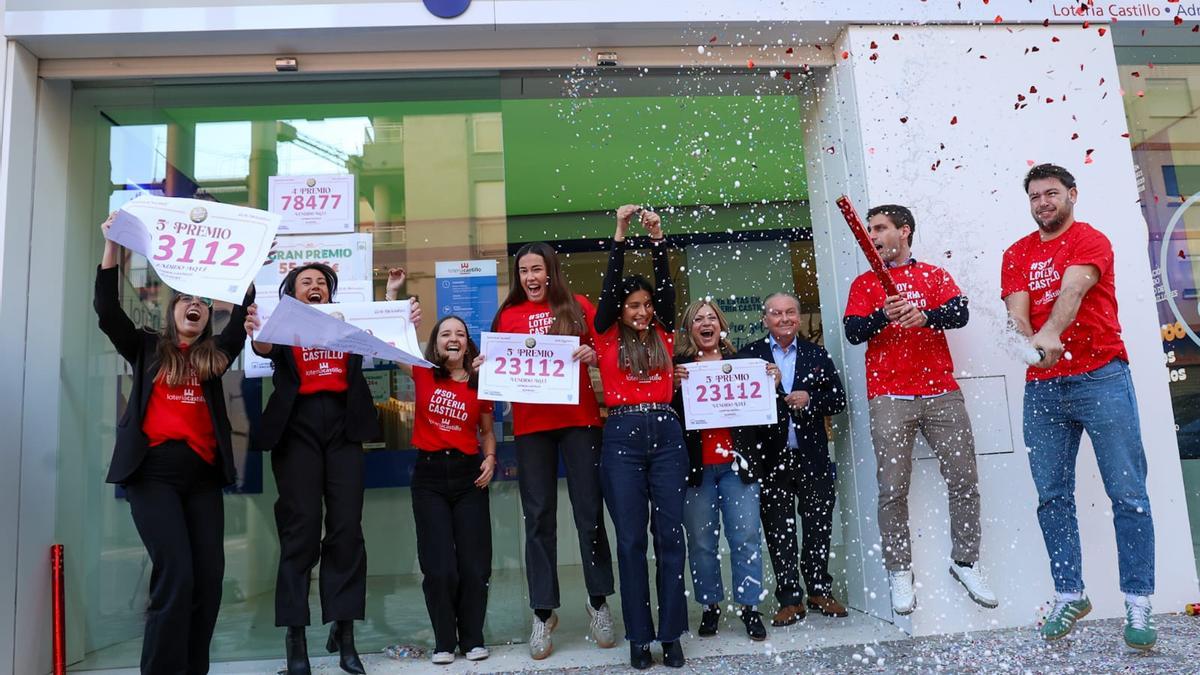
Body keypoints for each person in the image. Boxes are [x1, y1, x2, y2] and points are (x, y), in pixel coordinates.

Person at [1002, 163, 1156, 649]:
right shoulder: (1017, 253)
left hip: (1101, 377)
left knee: (1127, 493)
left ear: (1072, 194)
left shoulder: (1091, 240)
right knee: (1051, 495)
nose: (1043, 203)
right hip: (1044, 389)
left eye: (1051, 194)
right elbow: (1017, 315)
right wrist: (1033, 343)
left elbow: (1072, 290)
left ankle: (1139, 604)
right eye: (1034, 197)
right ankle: (1070, 594)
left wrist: (1052, 334)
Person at [95, 212, 253, 674]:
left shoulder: (213, 358)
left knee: (208, 582)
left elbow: (239, 319)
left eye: (202, 302)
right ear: (171, 312)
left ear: (206, 318)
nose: (194, 304)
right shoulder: (146, 348)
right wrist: (112, 246)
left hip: (202, 479)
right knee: (177, 576)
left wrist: (250, 266)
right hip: (154, 475)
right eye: (184, 299)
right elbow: (108, 311)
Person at [246, 262, 419, 675]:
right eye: (306, 282)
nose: (315, 286)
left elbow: (383, 334)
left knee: (345, 532)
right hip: (297, 430)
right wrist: (254, 327)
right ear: (292, 292)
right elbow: (262, 347)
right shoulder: (283, 323)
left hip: (344, 428)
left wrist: (395, 304)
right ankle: (296, 641)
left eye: (322, 282)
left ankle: (345, 635)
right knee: (300, 531)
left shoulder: (346, 322)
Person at [843, 204, 997, 616]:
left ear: (903, 231)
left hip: (941, 392)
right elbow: (853, 331)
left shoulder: (933, 275)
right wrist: (882, 316)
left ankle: (964, 561)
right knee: (892, 489)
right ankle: (899, 570)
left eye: (881, 228)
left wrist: (925, 315)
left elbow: (960, 313)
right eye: (870, 229)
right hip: (889, 396)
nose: (873, 235)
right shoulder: (864, 283)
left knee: (965, 478)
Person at [485, 243, 615, 659]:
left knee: (589, 513)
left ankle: (598, 602)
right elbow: (496, 368)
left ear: (551, 271)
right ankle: (543, 613)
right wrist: (486, 369)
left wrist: (593, 355)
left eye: (537, 269)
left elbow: (609, 350)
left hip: (580, 421)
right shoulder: (507, 316)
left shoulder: (577, 305)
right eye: (523, 271)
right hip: (531, 427)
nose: (530, 277)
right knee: (538, 516)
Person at [594, 205, 687, 669]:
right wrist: (621, 232)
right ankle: (638, 636)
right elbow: (609, 290)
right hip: (622, 435)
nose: (643, 311)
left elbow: (667, 289)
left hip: (667, 432)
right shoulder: (606, 334)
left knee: (670, 534)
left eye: (647, 305)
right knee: (630, 538)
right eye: (634, 305)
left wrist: (657, 240)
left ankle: (670, 634)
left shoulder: (665, 332)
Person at [383, 292, 496, 666]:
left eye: (460, 333)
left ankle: (473, 638)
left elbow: (486, 430)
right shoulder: (422, 372)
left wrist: (491, 458)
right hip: (429, 476)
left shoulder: (481, 382)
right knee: (439, 566)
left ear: (467, 343)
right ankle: (445, 642)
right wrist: (393, 299)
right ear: (436, 342)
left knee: (474, 564)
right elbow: (396, 343)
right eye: (446, 333)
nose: (453, 337)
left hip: (469, 478)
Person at [739, 292, 847, 626]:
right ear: (765, 319)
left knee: (817, 525)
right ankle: (789, 598)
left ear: (799, 318)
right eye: (776, 313)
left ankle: (818, 589)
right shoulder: (750, 357)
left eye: (790, 313)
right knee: (778, 530)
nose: (784, 318)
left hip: (812, 457)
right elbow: (742, 409)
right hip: (771, 459)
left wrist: (811, 398)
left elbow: (838, 399)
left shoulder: (817, 354)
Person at [671, 300, 776, 641]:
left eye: (711, 317)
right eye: (698, 318)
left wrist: (772, 385)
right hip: (696, 469)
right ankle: (710, 606)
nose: (705, 323)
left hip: (738, 467)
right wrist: (671, 387)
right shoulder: (679, 369)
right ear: (689, 329)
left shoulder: (744, 365)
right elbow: (667, 417)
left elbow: (767, 420)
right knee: (701, 542)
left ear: (721, 325)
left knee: (745, 539)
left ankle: (749, 608)